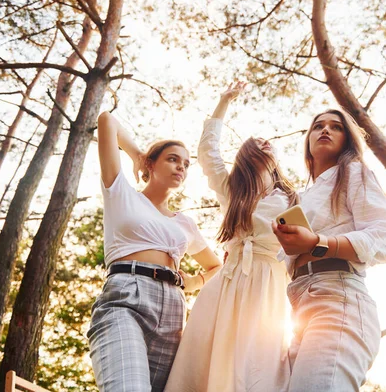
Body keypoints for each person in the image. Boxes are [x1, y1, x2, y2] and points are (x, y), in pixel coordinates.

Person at [165, 82, 296, 392]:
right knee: (207, 357)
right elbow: (207, 152)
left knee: (256, 364)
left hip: (268, 284)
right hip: (227, 281)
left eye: (269, 143)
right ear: (247, 154)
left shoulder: (292, 198)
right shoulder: (234, 190)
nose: (265, 143)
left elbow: (300, 246)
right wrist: (223, 102)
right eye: (257, 142)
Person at [87, 111, 222, 392]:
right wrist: (138, 155)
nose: (180, 167)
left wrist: (193, 283)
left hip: (173, 311)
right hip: (126, 297)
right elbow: (106, 121)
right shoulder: (121, 193)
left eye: (185, 164)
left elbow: (216, 268)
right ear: (151, 163)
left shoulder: (184, 223)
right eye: (172, 159)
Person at [272, 108, 386, 392]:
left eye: (336, 127)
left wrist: (317, 243)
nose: (325, 130)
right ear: (308, 140)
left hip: (338, 298)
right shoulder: (304, 196)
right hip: (299, 307)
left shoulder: (354, 172)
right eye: (318, 126)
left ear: (348, 140)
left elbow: (383, 236)